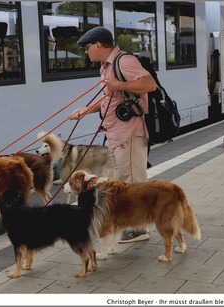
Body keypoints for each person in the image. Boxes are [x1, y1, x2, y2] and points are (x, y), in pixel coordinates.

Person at [68, 26, 156, 243]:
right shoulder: (105, 66)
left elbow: (149, 84)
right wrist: (85, 110)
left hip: (130, 132)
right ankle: (133, 223)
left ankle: (139, 228)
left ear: (99, 45)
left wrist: (120, 84)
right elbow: (109, 98)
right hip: (116, 132)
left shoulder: (124, 61)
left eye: (88, 48)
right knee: (123, 179)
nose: (86, 52)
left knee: (133, 180)